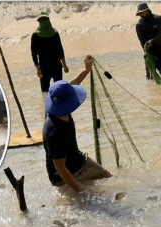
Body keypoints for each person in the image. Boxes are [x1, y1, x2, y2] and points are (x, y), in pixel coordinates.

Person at [43, 55, 112, 192]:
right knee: (94, 196)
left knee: (109, 179)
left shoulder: (56, 105)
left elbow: (73, 84)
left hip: (79, 161)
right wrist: (79, 190)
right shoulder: (54, 132)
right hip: (64, 176)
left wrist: (86, 70)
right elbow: (60, 168)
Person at [31, 11, 69, 93]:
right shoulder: (35, 36)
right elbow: (33, 53)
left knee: (59, 90)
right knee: (45, 92)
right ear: (38, 21)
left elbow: (60, 49)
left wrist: (64, 65)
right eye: (41, 19)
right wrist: (37, 68)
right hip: (44, 68)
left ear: (48, 20)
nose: (43, 21)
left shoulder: (55, 33)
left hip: (57, 66)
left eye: (45, 19)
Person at [135, 3, 161, 81]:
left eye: (144, 12)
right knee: (150, 77)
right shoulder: (139, 25)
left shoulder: (158, 18)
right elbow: (142, 41)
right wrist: (146, 52)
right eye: (141, 13)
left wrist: (152, 41)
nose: (143, 14)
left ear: (148, 11)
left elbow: (160, 34)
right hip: (149, 52)